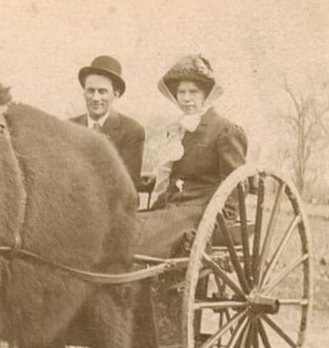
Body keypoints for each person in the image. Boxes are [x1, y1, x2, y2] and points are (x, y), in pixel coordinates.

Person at [136, 54, 247, 258]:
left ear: (206, 94)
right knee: (128, 226)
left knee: (145, 239)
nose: (186, 98)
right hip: (173, 207)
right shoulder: (179, 130)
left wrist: (218, 221)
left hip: (202, 211)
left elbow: (235, 185)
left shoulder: (224, 130)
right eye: (181, 92)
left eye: (193, 92)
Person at [71, 55, 146, 187]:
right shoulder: (70, 127)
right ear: (84, 93)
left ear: (116, 94)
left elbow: (128, 184)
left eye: (102, 91)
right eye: (90, 91)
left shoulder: (132, 131)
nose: (95, 98)